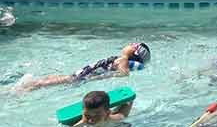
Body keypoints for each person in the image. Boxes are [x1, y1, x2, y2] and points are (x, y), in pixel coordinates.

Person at [17, 43, 151, 92]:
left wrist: (126, 56)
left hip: (78, 78)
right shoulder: (122, 59)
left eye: (132, 45)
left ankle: (17, 93)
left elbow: (124, 74)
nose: (128, 44)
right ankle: (22, 88)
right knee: (47, 79)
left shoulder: (124, 60)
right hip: (76, 76)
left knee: (41, 83)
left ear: (133, 52)